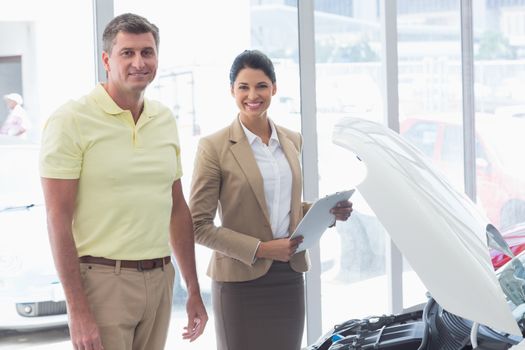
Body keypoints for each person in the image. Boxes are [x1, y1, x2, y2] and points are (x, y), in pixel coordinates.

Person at [39, 13, 207, 350]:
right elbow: (57, 219)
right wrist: (78, 310)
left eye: (147, 52)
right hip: (103, 284)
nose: (139, 62)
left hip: (161, 281)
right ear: (106, 60)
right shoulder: (71, 119)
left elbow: (175, 208)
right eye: (127, 53)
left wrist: (192, 288)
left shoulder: (164, 119)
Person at [189, 49, 353, 350]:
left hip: (288, 275)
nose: (253, 95)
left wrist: (328, 212)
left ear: (274, 88)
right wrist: (263, 249)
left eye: (261, 86)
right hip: (239, 281)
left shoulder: (292, 140)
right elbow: (198, 225)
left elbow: (284, 208)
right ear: (232, 91)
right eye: (244, 87)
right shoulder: (213, 147)